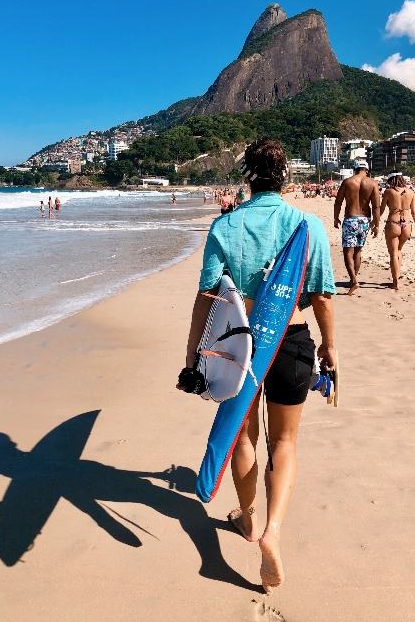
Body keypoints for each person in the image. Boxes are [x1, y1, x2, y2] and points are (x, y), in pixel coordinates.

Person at [177, 137, 336, 593]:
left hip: (238, 350)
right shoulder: (306, 224)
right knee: (284, 442)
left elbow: (208, 297)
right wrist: (331, 346)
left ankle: (246, 520)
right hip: (292, 340)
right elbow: (321, 296)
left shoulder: (225, 227)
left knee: (244, 435)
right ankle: (273, 531)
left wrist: (193, 355)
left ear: (246, 176)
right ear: (286, 177)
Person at [334, 160, 380, 295]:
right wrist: (376, 224)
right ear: (367, 170)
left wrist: (336, 217)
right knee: (358, 252)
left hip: (350, 219)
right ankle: (353, 279)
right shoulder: (372, 183)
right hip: (365, 220)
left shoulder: (348, 182)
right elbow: (376, 206)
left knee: (348, 252)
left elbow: (338, 202)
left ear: (355, 169)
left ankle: (353, 280)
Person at [379, 172, 415, 291]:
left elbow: (382, 209)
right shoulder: (410, 192)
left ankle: (396, 282)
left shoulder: (389, 192)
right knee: (399, 250)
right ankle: (397, 278)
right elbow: (414, 212)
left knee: (393, 253)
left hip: (393, 223)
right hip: (407, 224)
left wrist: (375, 223)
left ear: (391, 180)